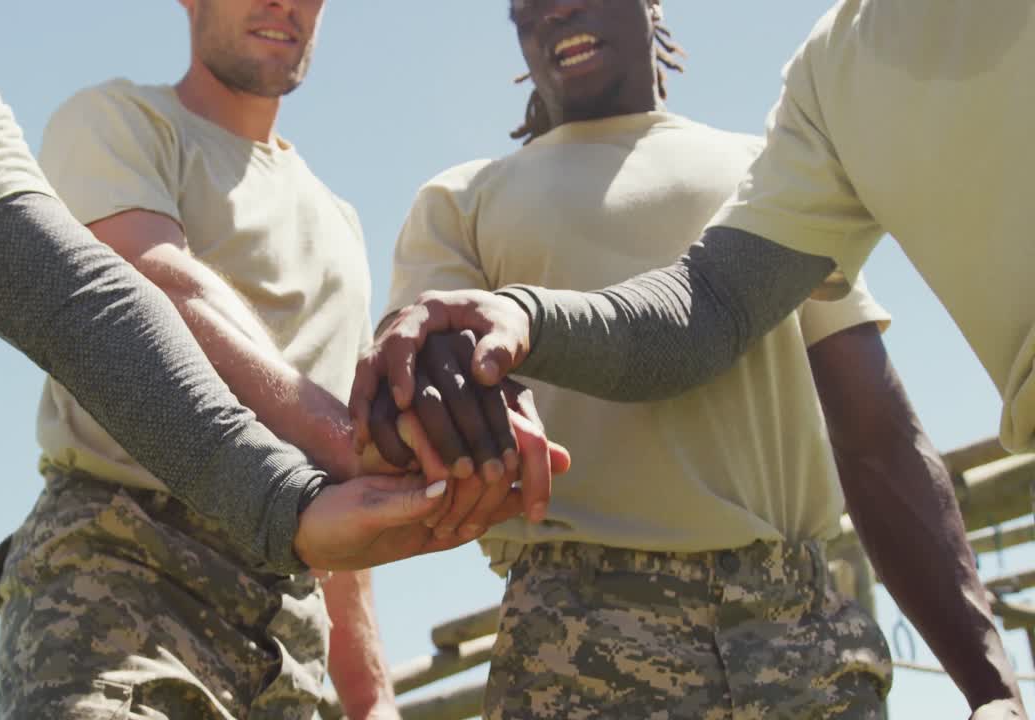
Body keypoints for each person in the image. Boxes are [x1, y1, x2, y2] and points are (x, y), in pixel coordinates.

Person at [0, 2, 538, 717]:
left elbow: (341, 493)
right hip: (124, 578)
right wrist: (353, 444)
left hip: (285, 618)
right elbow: (150, 283)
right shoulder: (120, 121)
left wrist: (368, 699)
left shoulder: (338, 222)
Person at [352, 1, 1032, 717]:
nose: (559, 10)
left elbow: (878, 438)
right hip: (577, 655)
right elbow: (422, 382)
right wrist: (430, 404)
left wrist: (994, 693)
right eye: (529, 5)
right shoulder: (461, 202)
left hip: (802, 645)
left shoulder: (771, 177)